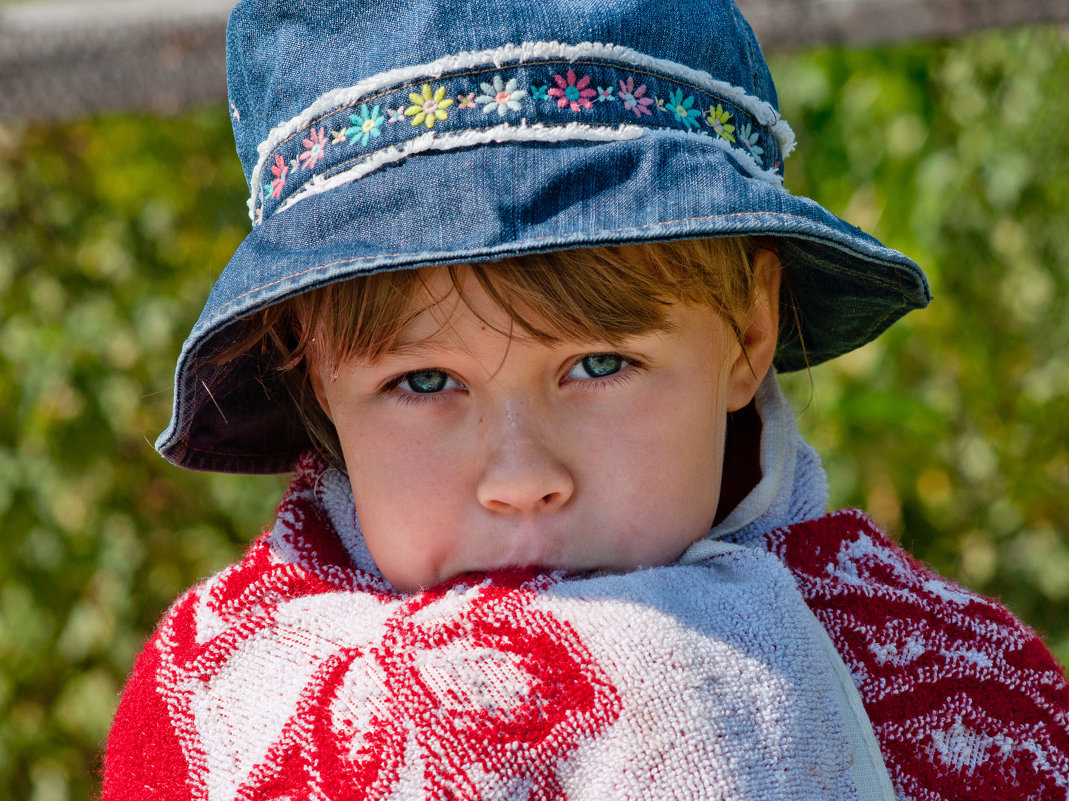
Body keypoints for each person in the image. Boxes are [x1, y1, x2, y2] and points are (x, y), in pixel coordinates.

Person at [102, 0, 1069, 798]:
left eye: (598, 365)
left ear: (746, 331)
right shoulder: (219, 714)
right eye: (424, 382)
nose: (523, 479)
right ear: (315, 370)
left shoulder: (953, 691)